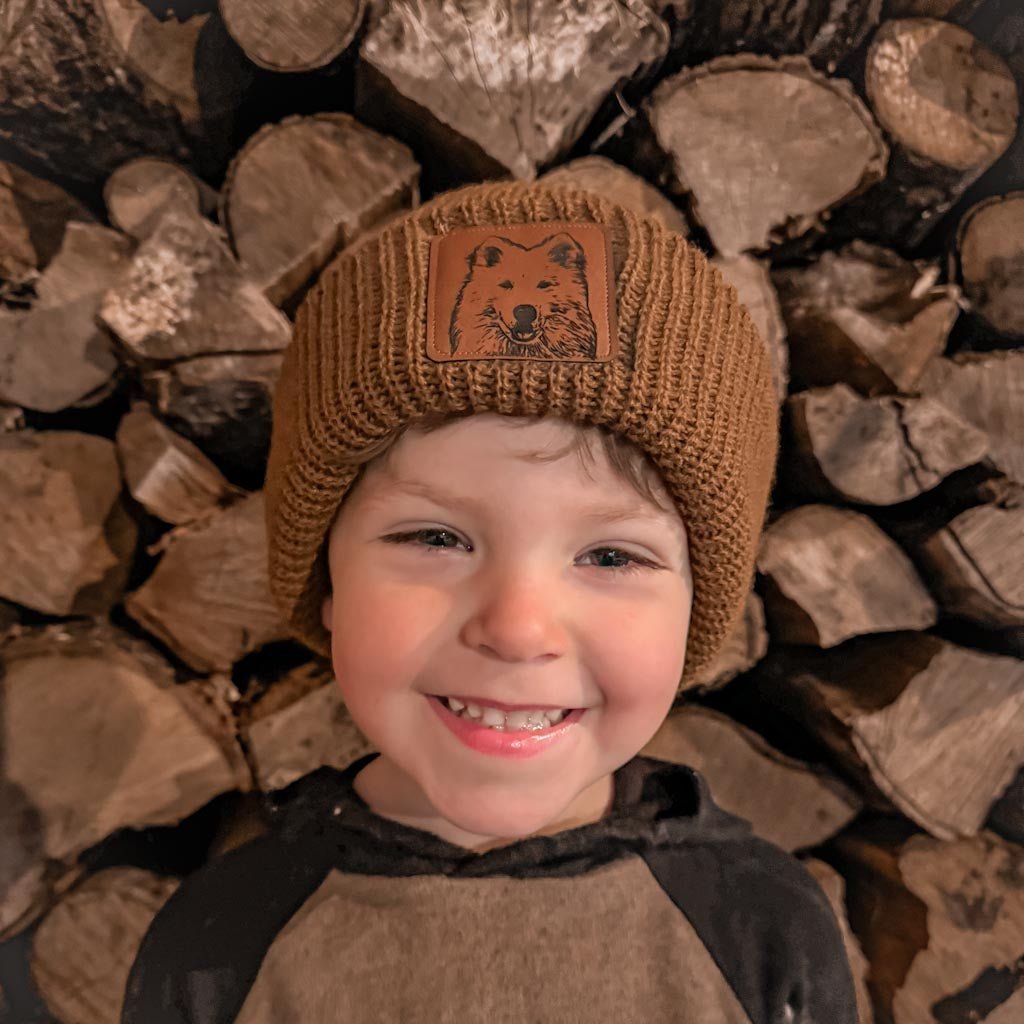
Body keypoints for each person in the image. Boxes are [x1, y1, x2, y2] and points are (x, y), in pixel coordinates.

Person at [121, 179, 858, 1023]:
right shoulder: (217, 947)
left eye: (610, 555)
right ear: (327, 581)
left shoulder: (766, 933)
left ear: (696, 608)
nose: (516, 629)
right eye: (435, 539)